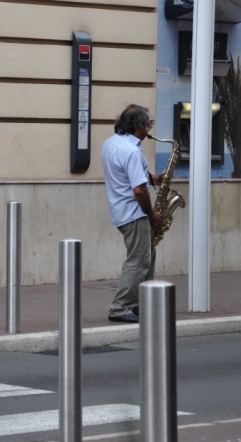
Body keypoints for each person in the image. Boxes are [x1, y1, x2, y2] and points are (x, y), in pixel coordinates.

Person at [100, 104, 164, 324]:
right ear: (137, 126)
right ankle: (121, 307)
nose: (149, 130)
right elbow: (138, 190)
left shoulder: (110, 144)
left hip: (120, 210)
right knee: (137, 260)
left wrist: (151, 178)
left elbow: (127, 172)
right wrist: (152, 214)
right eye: (147, 125)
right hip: (135, 212)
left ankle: (139, 304)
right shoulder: (132, 151)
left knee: (147, 256)